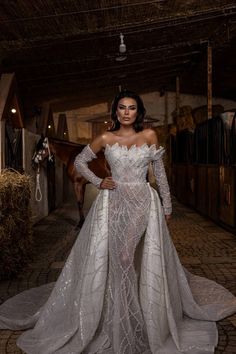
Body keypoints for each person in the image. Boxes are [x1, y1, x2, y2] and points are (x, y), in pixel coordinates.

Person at [0, 90, 236, 354]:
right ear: (115, 112)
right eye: (122, 107)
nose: (126, 112)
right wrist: (99, 181)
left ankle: (134, 316)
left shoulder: (148, 136)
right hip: (112, 203)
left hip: (142, 203)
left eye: (132, 108)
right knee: (114, 256)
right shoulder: (105, 138)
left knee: (125, 257)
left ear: (138, 112)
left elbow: (158, 172)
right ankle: (116, 313)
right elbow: (79, 161)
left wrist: (167, 205)